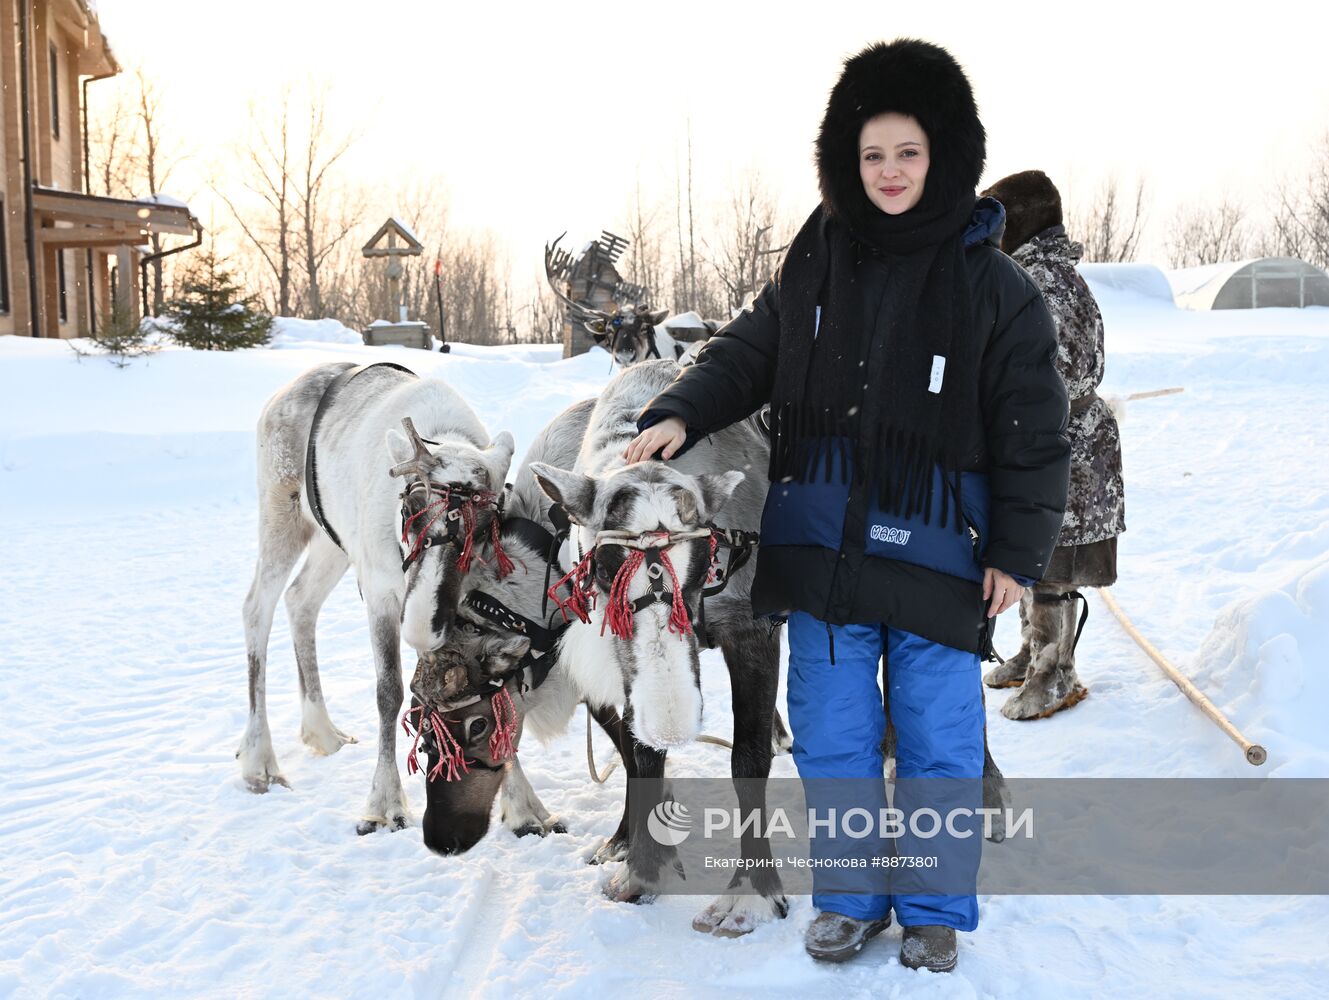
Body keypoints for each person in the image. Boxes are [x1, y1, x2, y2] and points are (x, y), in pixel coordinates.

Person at [624, 39, 1070, 971]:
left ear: (941, 154)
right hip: (820, 544)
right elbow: (749, 349)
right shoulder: (817, 258)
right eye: (872, 155)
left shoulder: (997, 289)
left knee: (940, 739)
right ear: (846, 162)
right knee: (831, 736)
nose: (890, 172)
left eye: (906, 152)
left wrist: (1016, 557)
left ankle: (934, 907)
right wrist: (678, 409)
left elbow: (1033, 435)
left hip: (940, 547)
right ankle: (852, 899)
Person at [978, 170, 1126, 719]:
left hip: (1066, 445)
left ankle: (1055, 671)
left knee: (1054, 562)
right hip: (1056, 437)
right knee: (1032, 554)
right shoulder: (1041, 273)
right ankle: (1032, 650)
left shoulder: (1040, 281)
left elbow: (1045, 374)